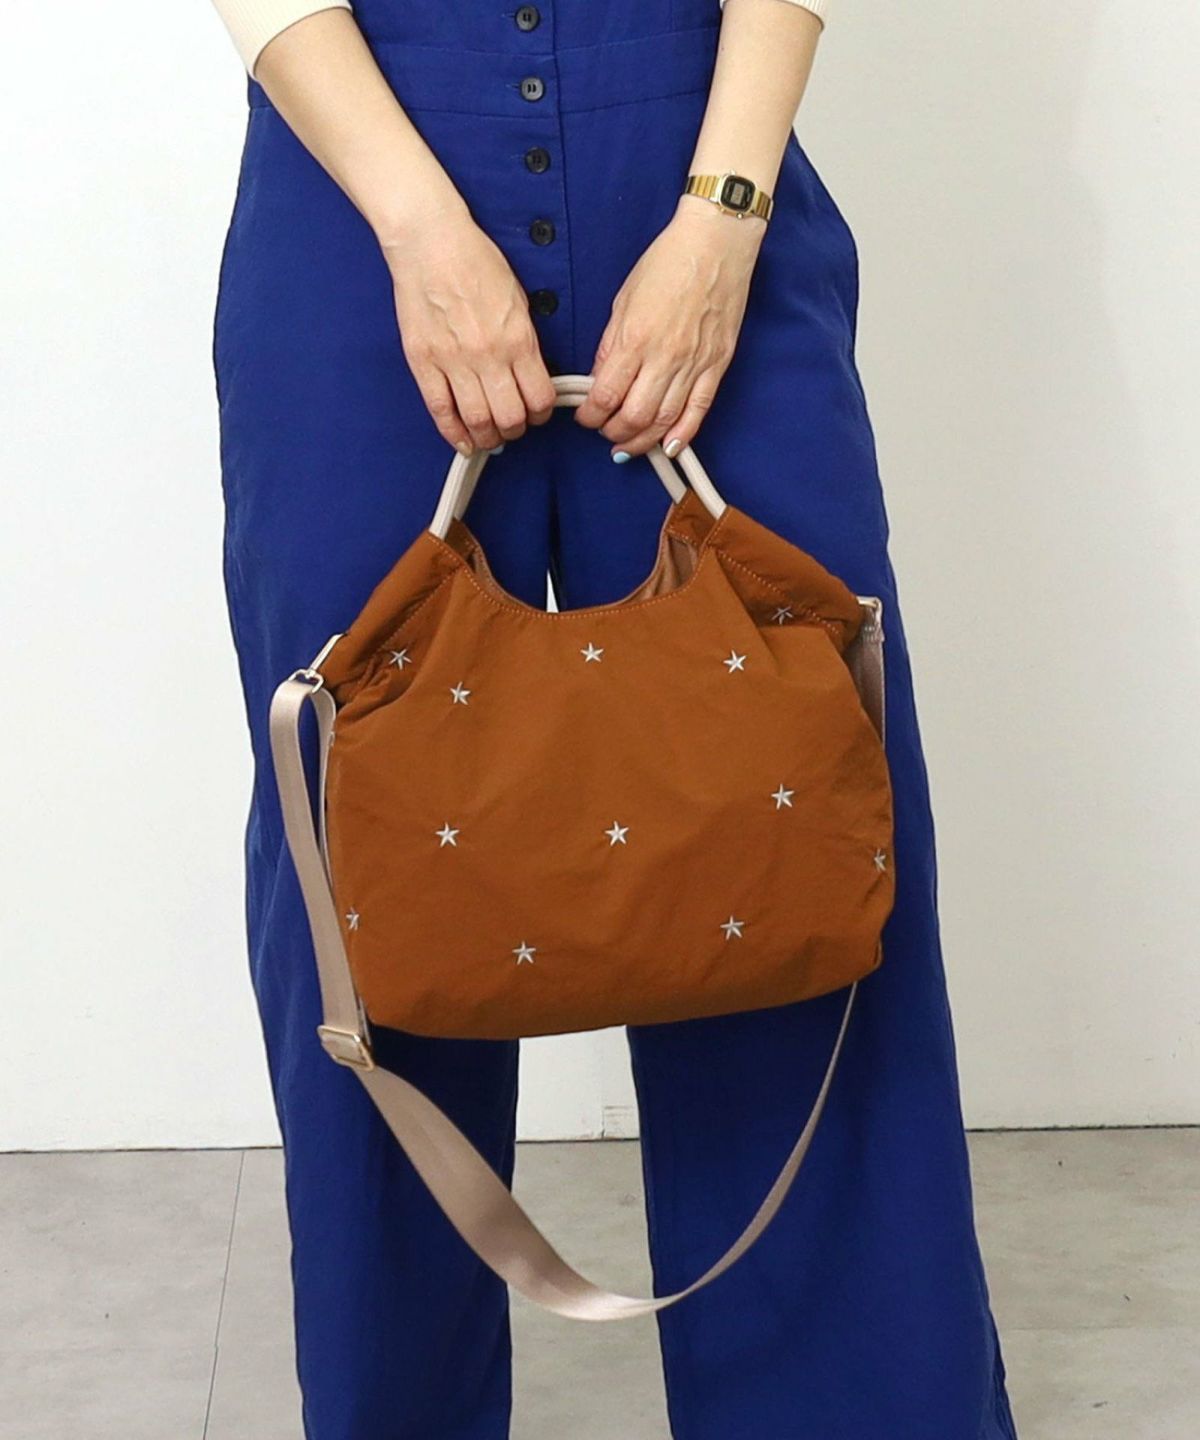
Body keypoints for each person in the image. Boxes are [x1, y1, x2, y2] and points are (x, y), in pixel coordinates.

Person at [209, 1, 1021, 1436]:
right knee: (372, 888)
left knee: (795, 852)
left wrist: (720, 222)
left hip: (706, 169)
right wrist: (421, 229)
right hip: (356, 195)